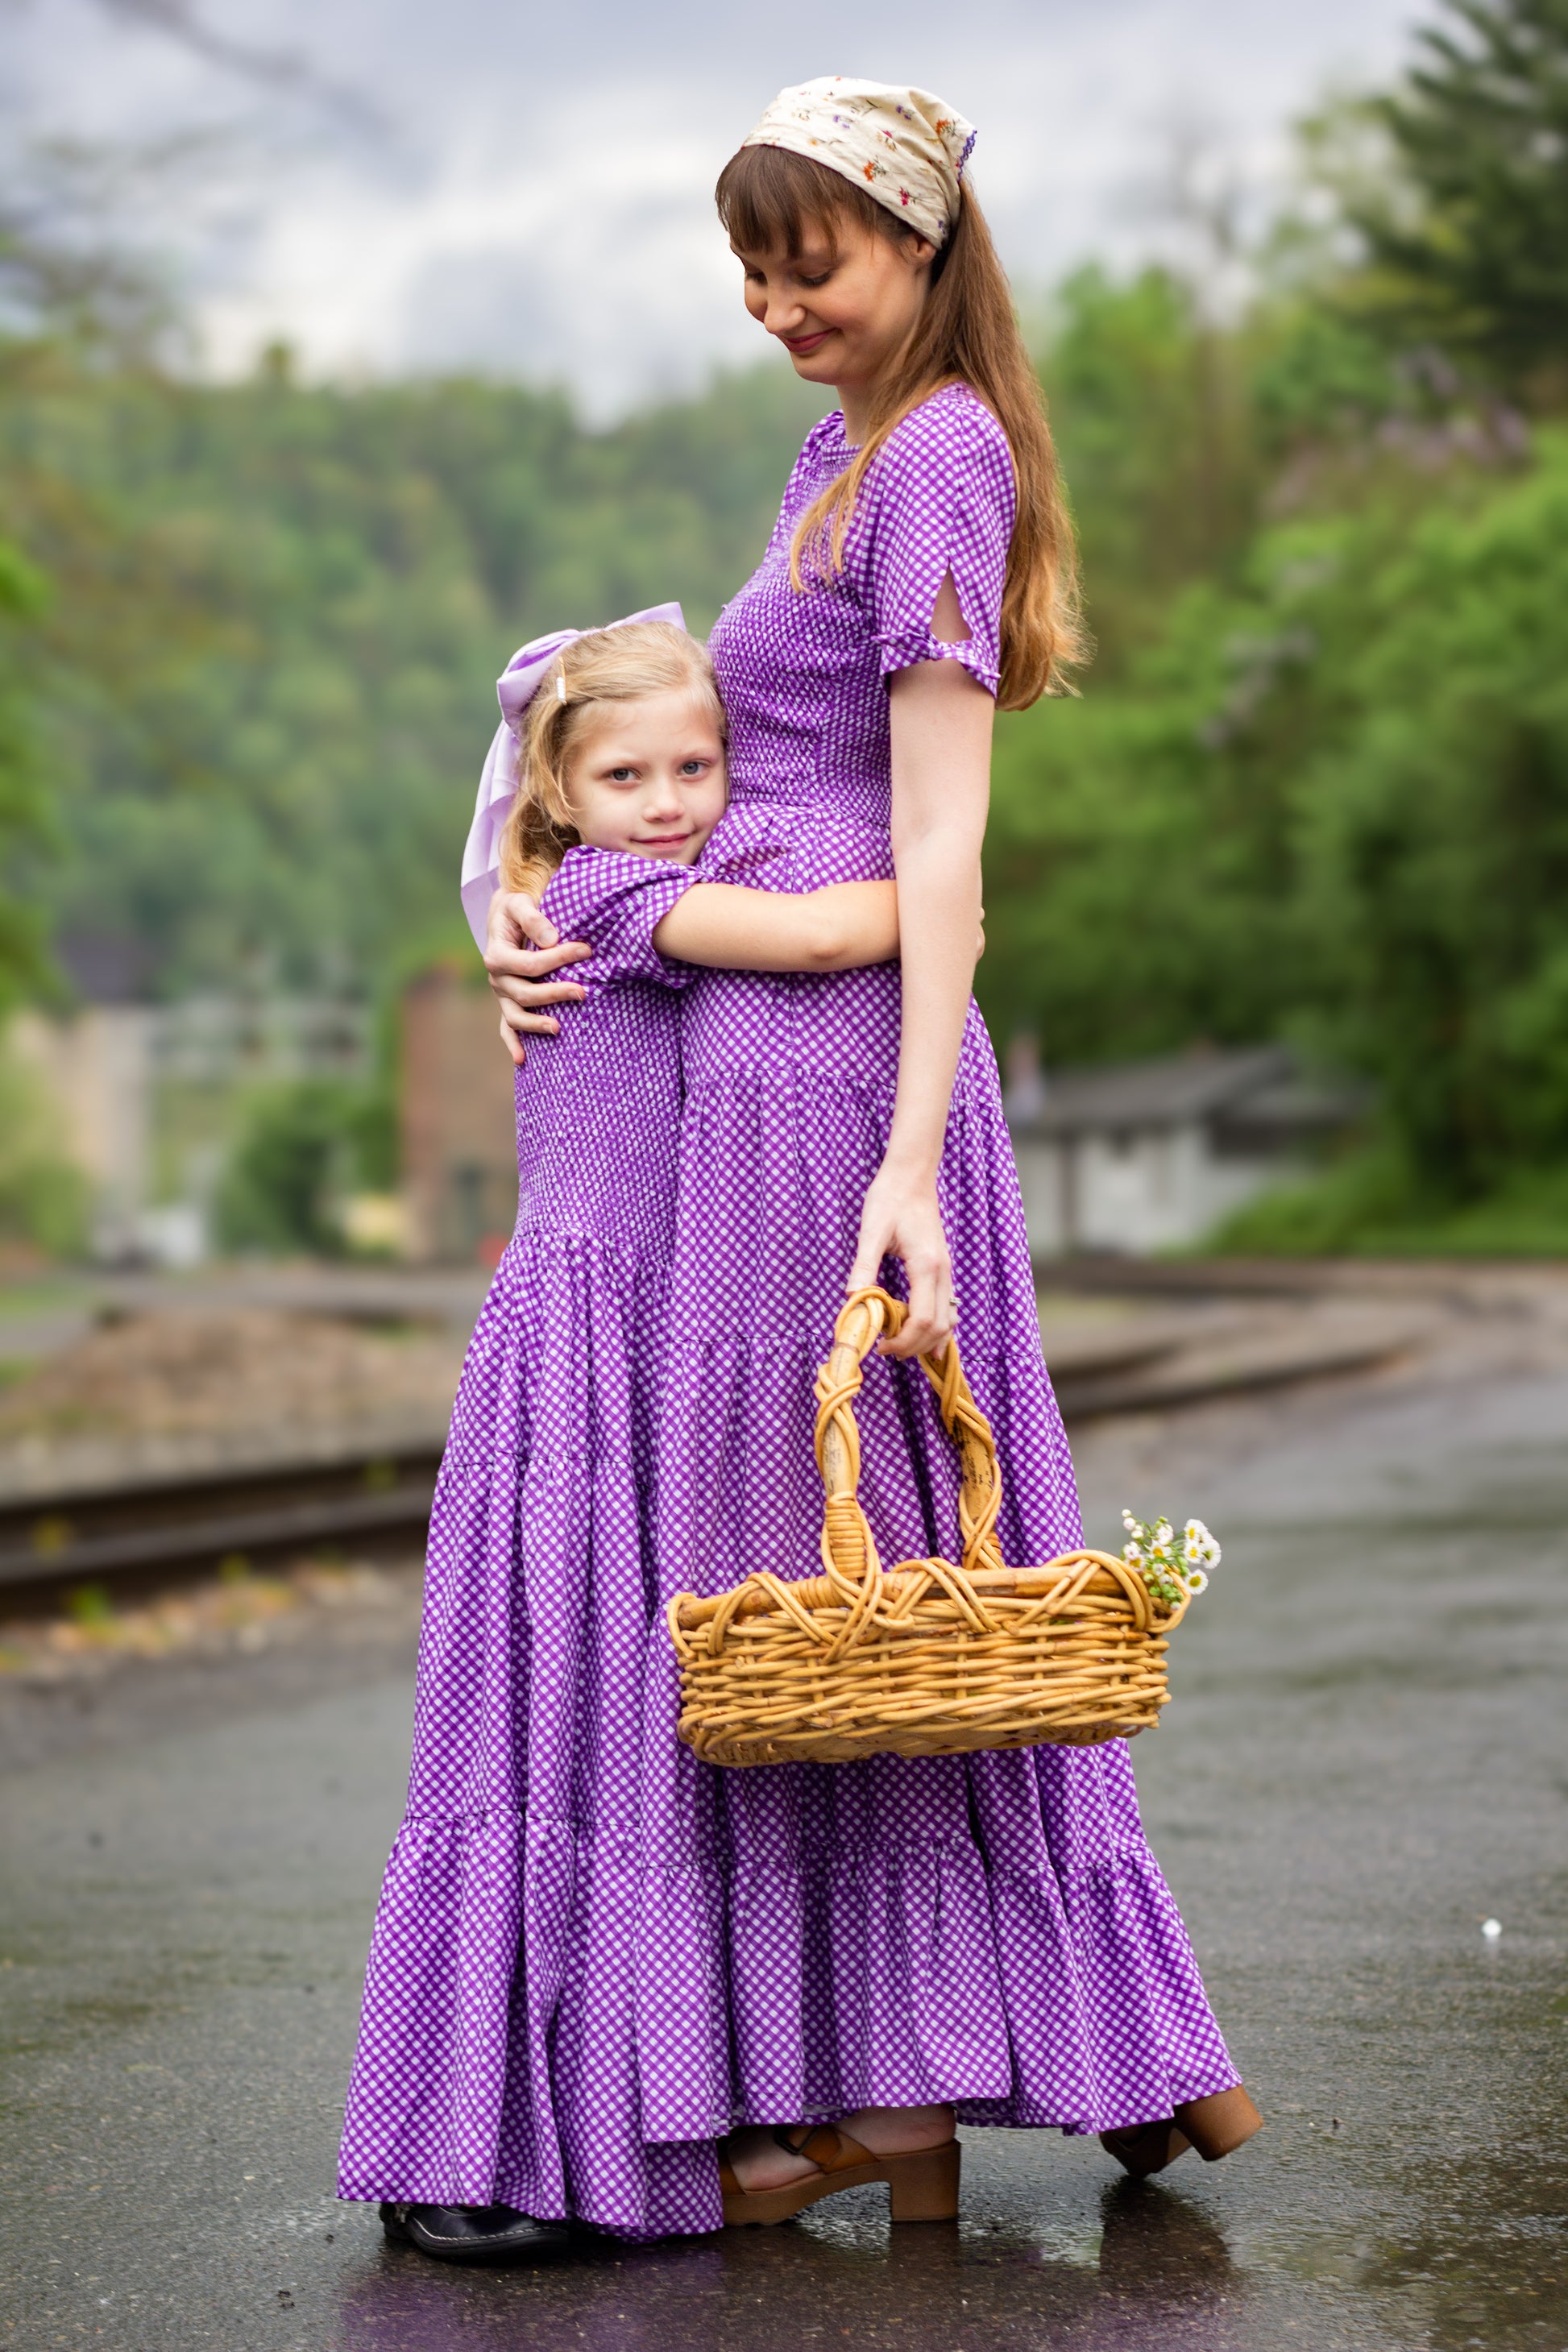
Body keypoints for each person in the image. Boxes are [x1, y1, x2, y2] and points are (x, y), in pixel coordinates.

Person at [483, 77, 1262, 2241]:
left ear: (916, 241)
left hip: (841, 1076)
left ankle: (913, 2096)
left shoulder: (934, 453)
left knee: (852, 1555)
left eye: (805, 257)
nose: (771, 302)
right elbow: (627, 740)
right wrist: (542, 917)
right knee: (836, 1566)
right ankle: (965, 2083)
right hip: (758, 1057)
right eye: (749, 267)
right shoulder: (846, 448)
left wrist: (909, 1165)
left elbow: (942, 845)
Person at [338, 616, 908, 2259]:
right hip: (582, 1343)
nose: (666, 799)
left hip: (659, 1333)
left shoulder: (592, 880)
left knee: (631, 1724)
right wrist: (939, 905)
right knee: (550, 1718)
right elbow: (812, 944)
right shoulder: (599, 896)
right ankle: (496, 2128)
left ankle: (639, 2101)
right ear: (557, 792)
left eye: (694, 767)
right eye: (624, 774)